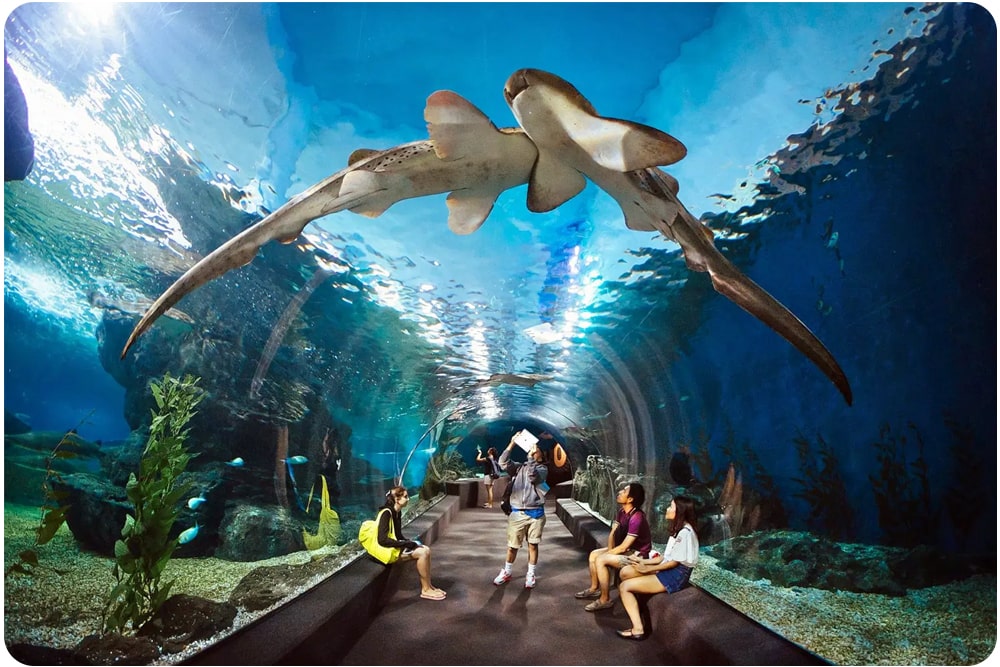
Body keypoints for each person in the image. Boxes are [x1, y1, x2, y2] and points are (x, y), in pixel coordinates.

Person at [615, 495, 699, 640]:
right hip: (669, 568)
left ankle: (638, 629)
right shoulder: (678, 528)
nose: (667, 508)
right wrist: (641, 562)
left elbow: (674, 563)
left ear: (679, 511)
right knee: (626, 572)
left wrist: (646, 569)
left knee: (625, 586)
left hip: (675, 575)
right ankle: (636, 608)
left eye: (670, 506)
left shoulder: (685, 533)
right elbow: (665, 557)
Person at [575, 482, 652, 611]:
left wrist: (607, 555)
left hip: (636, 555)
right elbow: (614, 539)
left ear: (630, 499)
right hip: (625, 550)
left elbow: (624, 547)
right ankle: (595, 588)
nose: (620, 492)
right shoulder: (622, 512)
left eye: (624, 491)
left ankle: (605, 599)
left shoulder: (636, 518)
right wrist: (611, 542)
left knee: (601, 559)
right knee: (594, 554)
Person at [492, 434, 549, 589]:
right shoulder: (518, 467)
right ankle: (507, 571)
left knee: (533, 545)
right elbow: (502, 463)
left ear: (541, 455)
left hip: (536, 513)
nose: (533, 450)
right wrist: (512, 443)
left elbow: (533, 476)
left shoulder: (543, 469)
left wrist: (531, 459)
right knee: (512, 546)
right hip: (517, 512)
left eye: (536, 449)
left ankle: (530, 573)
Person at [377, 486, 447, 601]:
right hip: (386, 552)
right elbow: (382, 540)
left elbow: (398, 535)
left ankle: (429, 586)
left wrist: (410, 543)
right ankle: (425, 590)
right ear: (397, 499)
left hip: (393, 548)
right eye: (405, 497)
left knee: (425, 549)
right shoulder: (386, 513)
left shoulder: (397, 513)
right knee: (422, 553)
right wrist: (405, 545)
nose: (408, 499)